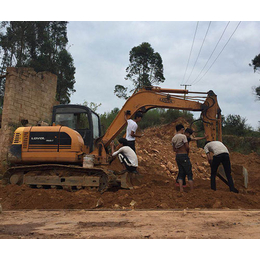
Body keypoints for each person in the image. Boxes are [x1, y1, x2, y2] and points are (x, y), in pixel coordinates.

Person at [172, 124, 194, 192]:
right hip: (184, 155)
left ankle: (181, 188)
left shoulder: (173, 138)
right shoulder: (183, 136)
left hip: (178, 156)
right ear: (182, 129)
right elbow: (187, 146)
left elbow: (174, 149)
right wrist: (187, 152)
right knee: (189, 173)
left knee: (181, 172)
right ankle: (192, 189)